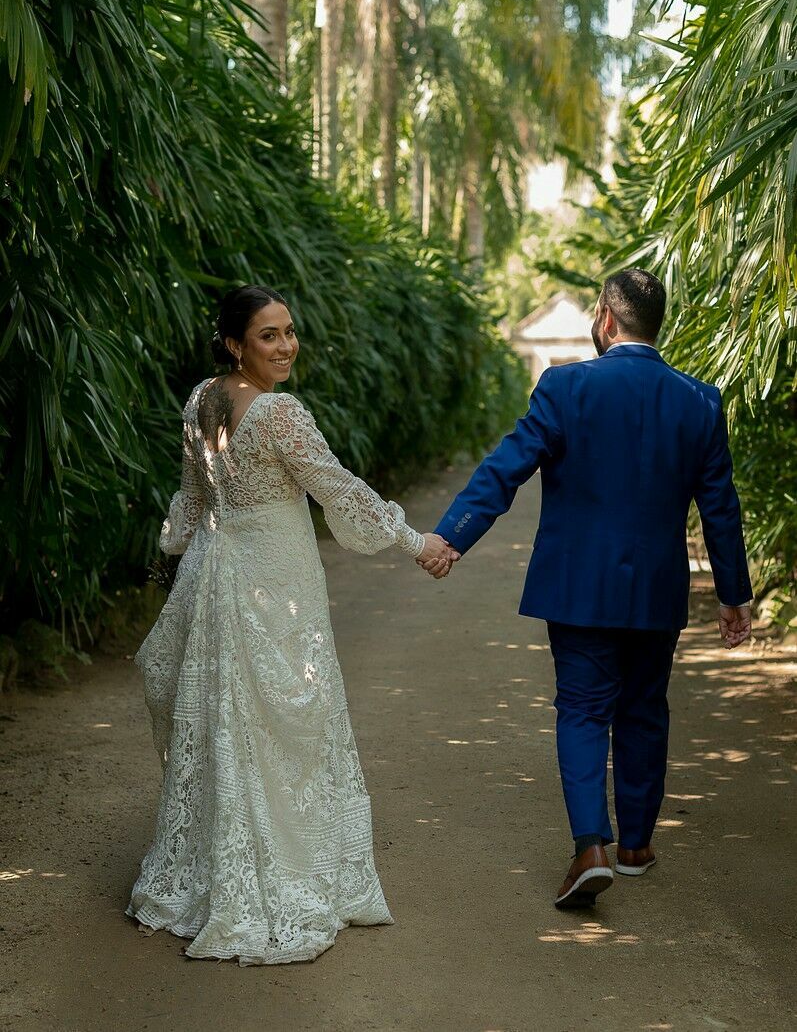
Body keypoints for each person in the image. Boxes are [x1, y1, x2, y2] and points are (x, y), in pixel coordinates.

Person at [127, 284, 449, 964]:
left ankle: (214, 874)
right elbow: (334, 485)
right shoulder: (277, 413)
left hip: (215, 573)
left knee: (231, 720)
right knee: (283, 722)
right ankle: (274, 878)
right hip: (273, 582)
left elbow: (189, 503)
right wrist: (413, 541)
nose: (285, 345)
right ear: (235, 343)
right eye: (268, 335)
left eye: (289, 331)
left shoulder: (199, 400)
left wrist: (174, 558)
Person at [425, 269, 752, 908]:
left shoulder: (566, 387)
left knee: (581, 708)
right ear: (658, 323)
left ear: (604, 318)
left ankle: (589, 847)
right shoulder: (700, 401)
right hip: (656, 591)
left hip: (576, 589)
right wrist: (734, 594)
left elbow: (505, 470)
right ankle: (635, 846)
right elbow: (721, 508)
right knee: (644, 709)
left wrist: (452, 536)